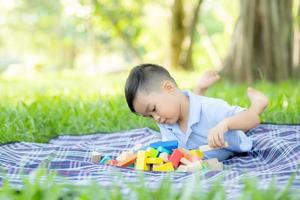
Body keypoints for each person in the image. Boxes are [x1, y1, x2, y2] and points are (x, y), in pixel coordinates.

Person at [124, 64, 268, 161]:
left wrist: (225, 125)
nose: (156, 119)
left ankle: (258, 104)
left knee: (245, 121)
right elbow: (169, 148)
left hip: (233, 143)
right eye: (149, 116)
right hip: (202, 157)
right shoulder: (166, 121)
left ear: (168, 87)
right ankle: (199, 90)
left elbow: (253, 119)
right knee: (191, 107)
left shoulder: (211, 108)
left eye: (154, 109)